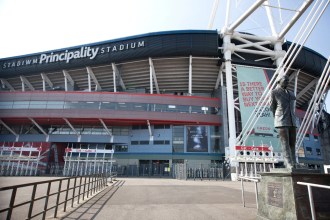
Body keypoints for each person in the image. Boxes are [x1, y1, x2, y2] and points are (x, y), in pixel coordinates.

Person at [270, 75, 297, 170]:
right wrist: (277, 118)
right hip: (281, 121)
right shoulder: (274, 92)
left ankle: (294, 162)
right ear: (279, 81)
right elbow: (272, 107)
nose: (287, 82)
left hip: (292, 121)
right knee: (285, 143)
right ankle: (288, 163)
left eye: (288, 81)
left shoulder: (292, 94)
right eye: (285, 80)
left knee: (293, 143)